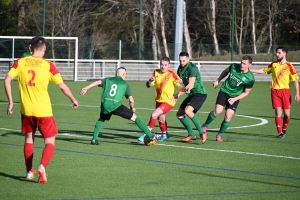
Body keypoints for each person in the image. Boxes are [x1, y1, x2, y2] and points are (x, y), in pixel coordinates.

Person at [4, 36, 79, 184]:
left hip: (26, 110)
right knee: (50, 142)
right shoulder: (48, 65)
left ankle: (28, 172)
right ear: (44, 48)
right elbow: (62, 86)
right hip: (44, 111)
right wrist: (73, 99)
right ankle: (42, 166)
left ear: (30, 47)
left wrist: (11, 102)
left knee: (29, 139)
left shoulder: (19, 62)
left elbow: (7, 80)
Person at [80, 67, 158, 146]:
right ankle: (150, 136)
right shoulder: (125, 84)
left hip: (105, 104)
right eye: (126, 74)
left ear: (116, 73)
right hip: (116, 105)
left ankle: (94, 139)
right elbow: (131, 100)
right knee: (135, 118)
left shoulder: (108, 80)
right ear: (124, 74)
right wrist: (131, 108)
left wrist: (86, 88)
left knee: (102, 119)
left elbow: (97, 82)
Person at [201, 55, 255, 142]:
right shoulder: (233, 66)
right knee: (218, 111)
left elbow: (246, 92)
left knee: (228, 116)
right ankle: (204, 126)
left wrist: (235, 99)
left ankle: (219, 135)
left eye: (244, 64)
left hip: (235, 96)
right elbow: (225, 71)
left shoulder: (250, 78)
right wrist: (218, 80)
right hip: (224, 91)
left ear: (250, 65)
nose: (242, 65)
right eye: (241, 62)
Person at [251, 47, 299, 138]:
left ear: (284, 53)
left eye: (279, 53)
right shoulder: (273, 64)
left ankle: (284, 128)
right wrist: (251, 71)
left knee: (287, 115)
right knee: (278, 112)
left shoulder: (290, 66)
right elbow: (264, 70)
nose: (277, 54)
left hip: (285, 92)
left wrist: (297, 93)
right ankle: (280, 132)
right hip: (274, 91)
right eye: (276, 53)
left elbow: (295, 80)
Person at [137, 57, 185, 142]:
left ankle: (145, 134)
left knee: (153, 115)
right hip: (159, 100)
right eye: (162, 64)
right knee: (161, 119)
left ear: (168, 65)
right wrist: (149, 81)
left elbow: (179, 86)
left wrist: (184, 89)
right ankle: (164, 134)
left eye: (165, 65)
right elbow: (148, 85)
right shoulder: (156, 72)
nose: (163, 67)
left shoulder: (172, 73)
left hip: (169, 101)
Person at [175, 52, 208, 144]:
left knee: (188, 111)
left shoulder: (192, 68)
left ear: (188, 59)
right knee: (179, 114)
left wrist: (178, 95)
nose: (181, 62)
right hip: (191, 95)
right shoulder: (180, 68)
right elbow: (180, 81)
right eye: (180, 61)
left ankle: (202, 132)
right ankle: (191, 134)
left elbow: (191, 84)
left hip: (200, 94)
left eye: (184, 61)